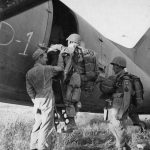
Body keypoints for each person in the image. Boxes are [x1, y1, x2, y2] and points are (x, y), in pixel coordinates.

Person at [50, 33, 99, 133]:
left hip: (71, 78)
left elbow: (62, 63)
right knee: (74, 100)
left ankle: (71, 124)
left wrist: (53, 47)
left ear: (70, 41)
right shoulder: (86, 52)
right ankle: (69, 123)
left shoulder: (68, 49)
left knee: (67, 100)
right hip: (79, 79)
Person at [26, 48, 63, 150]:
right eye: (45, 57)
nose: (47, 60)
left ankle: (33, 147)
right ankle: (43, 148)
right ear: (40, 57)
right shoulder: (46, 69)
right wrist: (60, 55)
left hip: (37, 100)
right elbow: (60, 68)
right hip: (47, 99)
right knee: (46, 126)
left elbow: (29, 90)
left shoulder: (29, 72)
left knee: (37, 125)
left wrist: (36, 100)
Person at [98, 56, 133, 150]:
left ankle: (120, 147)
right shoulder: (117, 78)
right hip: (114, 107)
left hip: (120, 109)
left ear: (119, 66)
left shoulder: (126, 80)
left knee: (119, 128)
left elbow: (127, 98)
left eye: (114, 66)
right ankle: (123, 146)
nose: (113, 68)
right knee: (112, 126)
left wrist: (121, 112)